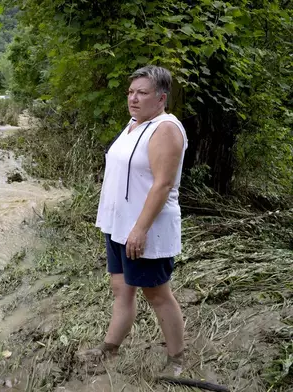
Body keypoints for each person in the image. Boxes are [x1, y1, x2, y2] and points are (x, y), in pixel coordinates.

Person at [87, 65, 188, 375]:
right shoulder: (134, 124)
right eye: (131, 92)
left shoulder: (165, 129)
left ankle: (177, 359)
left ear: (161, 97)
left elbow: (162, 184)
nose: (133, 98)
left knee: (158, 294)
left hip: (144, 229)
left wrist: (140, 229)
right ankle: (110, 348)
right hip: (119, 227)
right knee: (121, 288)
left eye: (142, 93)